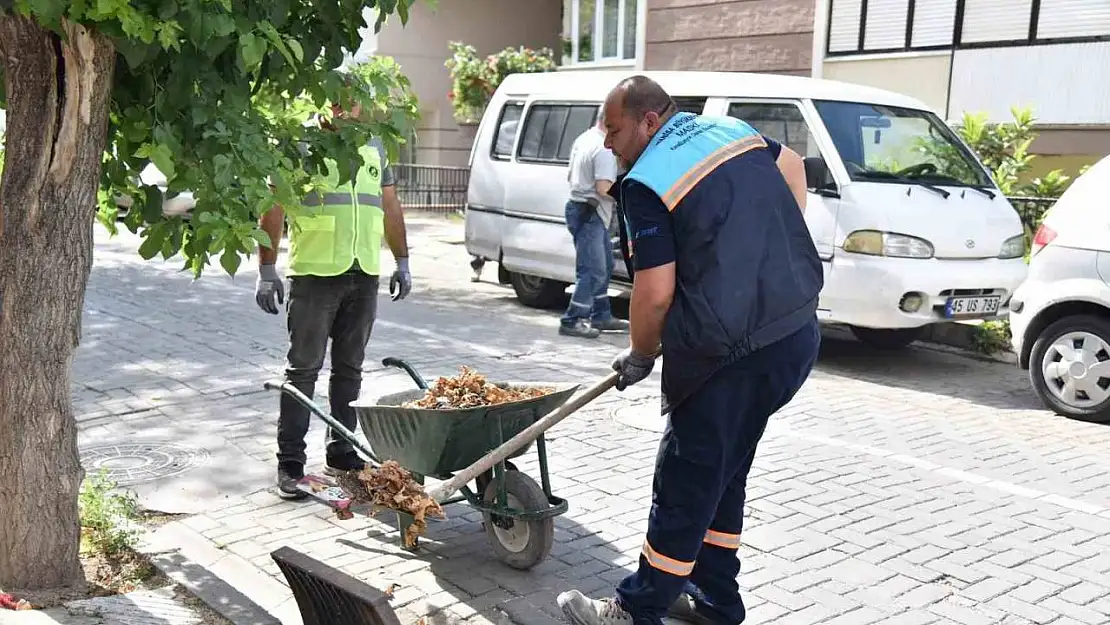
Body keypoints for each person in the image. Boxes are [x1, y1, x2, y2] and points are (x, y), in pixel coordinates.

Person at [556, 76, 823, 625]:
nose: (607, 142)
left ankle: (635, 608)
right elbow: (793, 165)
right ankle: (716, 600)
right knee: (724, 471)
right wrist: (768, 251)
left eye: (614, 128)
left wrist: (639, 354)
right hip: (794, 333)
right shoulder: (729, 130)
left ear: (649, 121)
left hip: (728, 356)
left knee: (684, 477)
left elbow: (655, 293)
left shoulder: (647, 181)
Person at [254, 99, 413, 500]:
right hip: (315, 275)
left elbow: (390, 207)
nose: (345, 110)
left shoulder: (375, 146)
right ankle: (290, 464)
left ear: (364, 107)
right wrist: (267, 268)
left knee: (350, 370)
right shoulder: (301, 146)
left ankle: (341, 452)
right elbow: (273, 206)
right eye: (336, 102)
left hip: (363, 274)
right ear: (322, 102)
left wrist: (403, 261)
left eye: (352, 102)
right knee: (303, 372)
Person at [559, 111, 630, 339]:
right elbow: (603, 188)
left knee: (604, 265)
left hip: (580, 207)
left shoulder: (584, 138)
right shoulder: (603, 148)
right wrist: (629, 195)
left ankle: (601, 314)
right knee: (592, 269)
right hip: (590, 210)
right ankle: (573, 319)